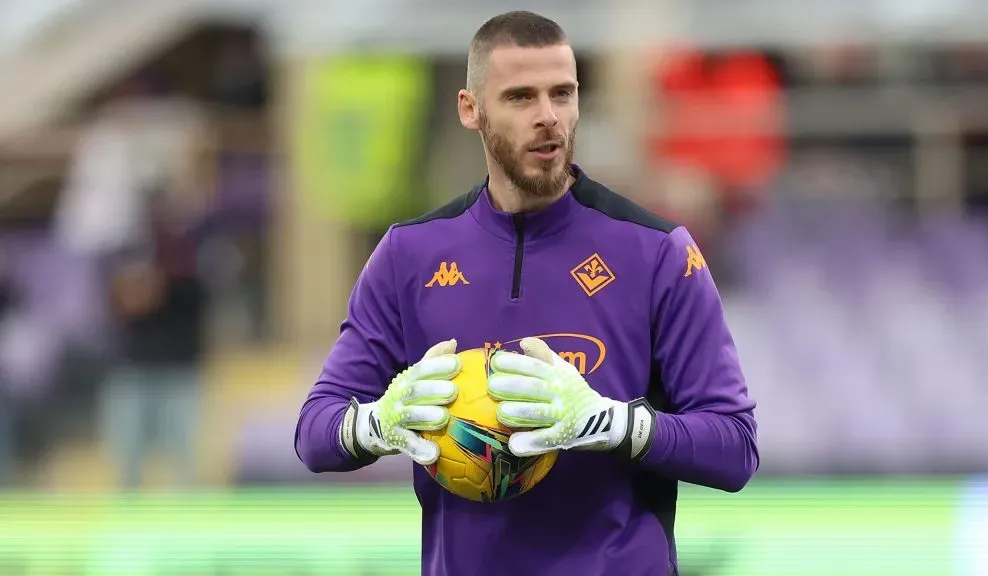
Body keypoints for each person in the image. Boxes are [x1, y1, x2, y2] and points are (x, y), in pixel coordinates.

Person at [295, 11, 758, 576]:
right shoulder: (407, 255)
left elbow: (735, 447)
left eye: (563, 93)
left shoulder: (658, 251)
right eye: (520, 97)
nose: (548, 117)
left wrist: (611, 424)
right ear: (471, 109)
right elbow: (314, 433)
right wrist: (379, 423)